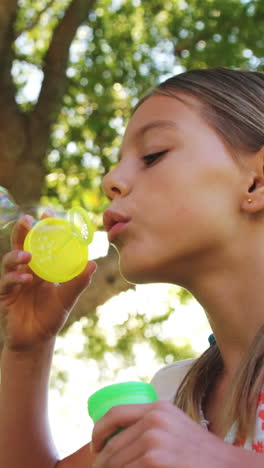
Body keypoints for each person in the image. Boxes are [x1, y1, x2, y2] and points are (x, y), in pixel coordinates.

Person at [0, 67, 264, 468]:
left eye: (153, 154)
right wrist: (28, 349)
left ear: (256, 182)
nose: (110, 180)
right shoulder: (177, 400)